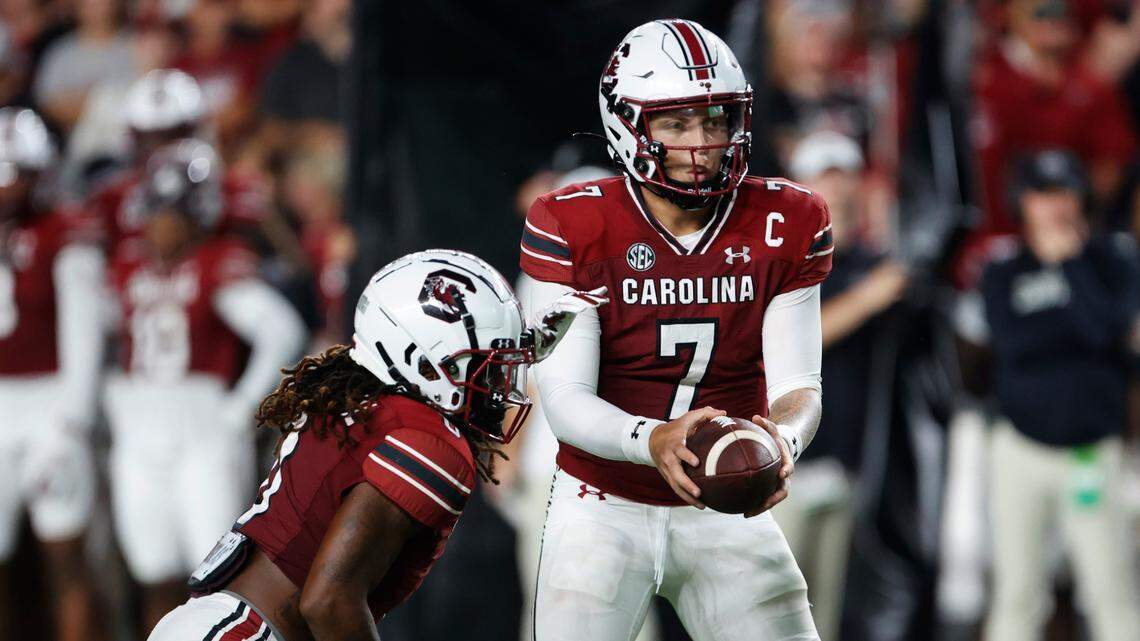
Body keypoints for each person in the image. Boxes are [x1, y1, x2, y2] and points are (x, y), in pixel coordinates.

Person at [520, 19, 832, 641]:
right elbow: (563, 399)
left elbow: (800, 386)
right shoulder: (574, 222)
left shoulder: (785, 219)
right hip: (601, 505)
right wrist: (654, 439)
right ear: (627, 125)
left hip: (726, 506)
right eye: (676, 123)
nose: (702, 144)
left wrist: (782, 443)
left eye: (716, 121)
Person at [145, 248, 605, 640]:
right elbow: (329, 600)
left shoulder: (366, 401)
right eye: (484, 366)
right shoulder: (430, 441)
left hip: (215, 624)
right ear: (421, 362)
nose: (500, 388)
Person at [103, 139, 307, 633]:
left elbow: (282, 329)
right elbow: (101, 340)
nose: (158, 225)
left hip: (200, 424)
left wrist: (240, 410)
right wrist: (113, 399)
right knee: (152, 571)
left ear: (196, 214)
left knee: (212, 574)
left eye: (169, 214)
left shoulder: (219, 260)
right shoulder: (128, 265)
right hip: (142, 424)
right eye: (154, 213)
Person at [976, 149, 1140, 641]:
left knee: (1110, 591)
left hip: (1092, 449)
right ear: (1022, 202)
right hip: (1019, 448)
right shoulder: (1003, 269)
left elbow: (1108, 332)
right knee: (1017, 594)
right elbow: (1011, 344)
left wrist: (1069, 268)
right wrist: (1077, 331)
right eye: (1042, 194)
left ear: (1083, 198)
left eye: (1065, 192)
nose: (1055, 207)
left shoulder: (1112, 260)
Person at [769, 130, 908, 641]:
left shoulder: (863, 264)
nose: (837, 193)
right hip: (783, 471)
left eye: (843, 179)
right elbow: (800, 338)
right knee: (769, 610)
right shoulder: (780, 265)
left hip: (842, 466)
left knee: (820, 618)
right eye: (824, 181)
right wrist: (872, 297)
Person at [0, 107, 105, 641]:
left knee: (63, 552)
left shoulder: (62, 230)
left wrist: (72, 420)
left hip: (49, 402)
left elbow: (83, 335)